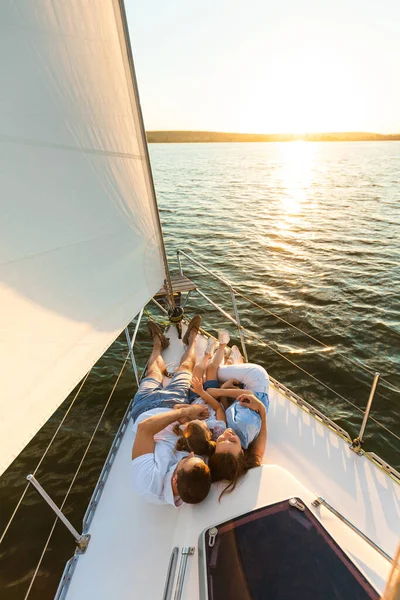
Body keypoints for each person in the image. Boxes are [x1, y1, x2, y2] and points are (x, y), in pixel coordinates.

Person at [132, 403, 212, 506]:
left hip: (148, 407)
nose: (191, 454)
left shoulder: (148, 481)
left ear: (175, 480)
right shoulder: (192, 477)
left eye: (187, 459)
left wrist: (186, 412)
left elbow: (144, 428)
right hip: (175, 411)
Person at [131, 316, 202, 422]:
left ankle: (158, 344)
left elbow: (143, 428)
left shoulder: (143, 437)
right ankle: (192, 340)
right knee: (186, 367)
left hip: (143, 407)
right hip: (175, 402)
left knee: (153, 372)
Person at [208, 392, 268, 499]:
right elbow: (258, 453)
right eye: (233, 441)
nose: (227, 434)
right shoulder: (252, 459)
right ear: (242, 452)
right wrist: (262, 410)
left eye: (221, 441)